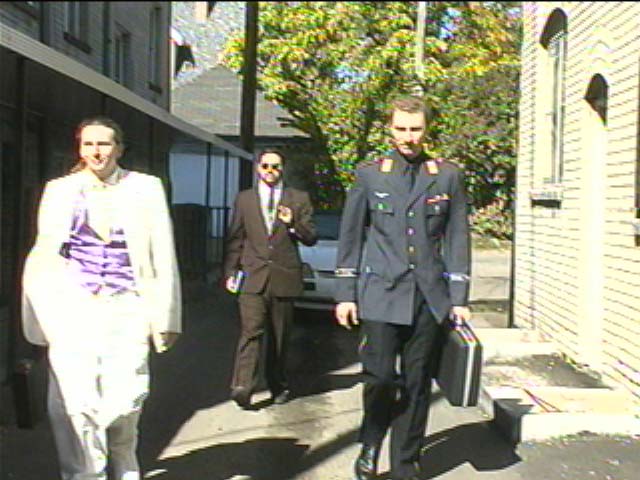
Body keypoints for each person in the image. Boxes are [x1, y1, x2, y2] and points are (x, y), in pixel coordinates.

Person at [21, 116, 181, 480]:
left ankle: (124, 466)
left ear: (119, 148)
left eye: (104, 143)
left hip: (127, 304)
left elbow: (162, 254)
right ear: (80, 149)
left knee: (127, 400)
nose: (97, 152)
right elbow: (45, 252)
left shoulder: (146, 188)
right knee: (74, 402)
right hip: (74, 305)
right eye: (89, 144)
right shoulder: (60, 190)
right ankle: (83, 473)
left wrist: (166, 316)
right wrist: (44, 308)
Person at [334, 95, 471, 480]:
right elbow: (351, 236)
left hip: (428, 297)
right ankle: (371, 442)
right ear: (389, 129)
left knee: (416, 382)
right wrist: (345, 294)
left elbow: (457, 237)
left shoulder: (447, 175)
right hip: (380, 293)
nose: (408, 137)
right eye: (401, 129)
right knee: (379, 378)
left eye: (415, 129)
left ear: (427, 130)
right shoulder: (370, 175)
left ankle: (405, 464)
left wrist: (458, 297)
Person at [224, 149, 317, 409]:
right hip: (253, 276)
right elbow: (236, 238)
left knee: (280, 336)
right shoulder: (245, 199)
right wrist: (230, 272)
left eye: (275, 166)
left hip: (284, 276)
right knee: (251, 331)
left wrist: (292, 223)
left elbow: (311, 237)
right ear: (257, 168)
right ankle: (243, 386)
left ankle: (278, 384)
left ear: (282, 169)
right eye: (265, 166)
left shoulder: (298, 198)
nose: (270, 171)